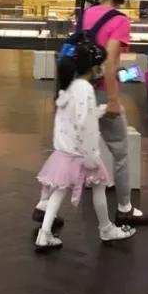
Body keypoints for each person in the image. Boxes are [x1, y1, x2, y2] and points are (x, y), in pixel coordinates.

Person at [40, 0, 148, 228]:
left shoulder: (86, 15)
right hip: (100, 91)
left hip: (76, 88)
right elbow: (110, 63)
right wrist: (113, 100)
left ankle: (44, 205)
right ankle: (124, 208)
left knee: (67, 151)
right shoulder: (120, 21)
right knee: (120, 151)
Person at [33, 38, 136, 250]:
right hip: (81, 152)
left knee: (59, 191)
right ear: (95, 67)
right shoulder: (85, 89)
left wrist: (100, 110)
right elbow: (84, 122)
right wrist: (91, 154)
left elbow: (74, 117)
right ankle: (106, 228)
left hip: (65, 151)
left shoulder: (70, 87)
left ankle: (44, 233)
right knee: (99, 186)